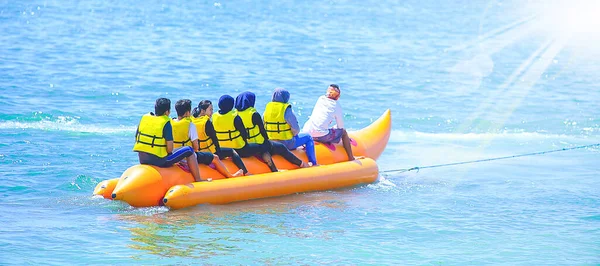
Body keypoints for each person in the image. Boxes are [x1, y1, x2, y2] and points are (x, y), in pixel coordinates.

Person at [133, 98, 202, 182]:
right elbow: (169, 149)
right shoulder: (165, 122)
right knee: (189, 150)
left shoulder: (145, 119)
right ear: (167, 112)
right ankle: (198, 179)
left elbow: (136, 137)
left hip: (142, 159)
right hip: (159, 161)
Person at [235, 91, 309, 168]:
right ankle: (301, 164)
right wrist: (267, 141)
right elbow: (262, 130)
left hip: (241, 146)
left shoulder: (235, 115)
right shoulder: (254, 114)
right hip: (257, 144)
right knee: (281, 147)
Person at [172, 99, 244, 178]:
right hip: (188, 158)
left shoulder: (171, 123)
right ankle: (230, 175)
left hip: (175, 156)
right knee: (215, 158)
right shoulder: (190, 125)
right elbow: (196, 148)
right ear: (187, 112)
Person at [212, 95, 279, 172]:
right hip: (240, 149)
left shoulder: (214, 116)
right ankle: (273, 169)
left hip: (223, 148)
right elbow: (244, 134)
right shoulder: (235, 117)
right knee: (263, 147)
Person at [192, 100, 250, 176]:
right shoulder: (206, 122)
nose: (212, 112)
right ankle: (246, 172)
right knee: (232, 151)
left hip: (197, 153)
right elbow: (214, 138)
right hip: (210, 152)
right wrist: (218, 152)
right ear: (203, 111)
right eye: (210, 110)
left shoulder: (192, 120)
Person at [264, 88, 317, 166]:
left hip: (272, 143)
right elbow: (296, 129)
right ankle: (313, 163)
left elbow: (263, 125)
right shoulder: (286, 110)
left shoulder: (268, 109)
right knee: (308, 137)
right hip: (287, 143)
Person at [302, 84, 355, 161]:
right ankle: (351, 157)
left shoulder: (320, 99)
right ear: (338, 96)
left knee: (323, 127)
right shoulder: (336, 105)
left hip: (307, 131)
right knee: (343, 132)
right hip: (321, 135)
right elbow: (340, 126)